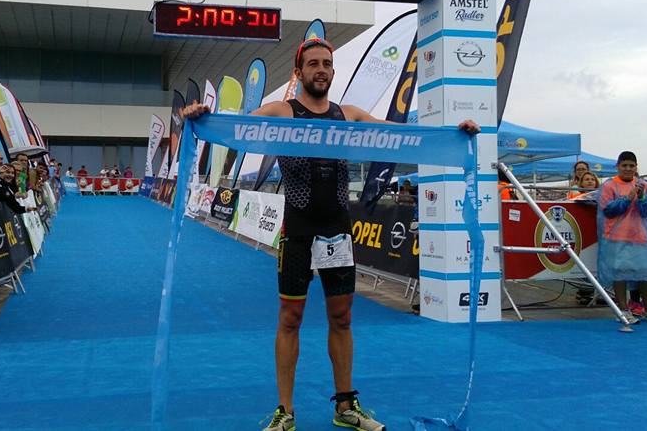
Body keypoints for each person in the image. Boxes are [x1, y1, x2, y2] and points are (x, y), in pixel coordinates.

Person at [183, 37, 481, 431]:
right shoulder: (282, 112)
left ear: (332, 72)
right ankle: (284, 412)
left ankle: (345, 408)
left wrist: (452, 133)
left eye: (326, 63)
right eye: (313, 64)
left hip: (337, 233)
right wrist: (203, 115)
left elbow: (401, 133)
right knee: (290, 317)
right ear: (299, 72)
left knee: (341, 318)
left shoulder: (348, 116)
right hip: (299, 232)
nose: (320, 69)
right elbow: (242, 125)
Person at [596, 151, 647, 325]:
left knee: (646, 273)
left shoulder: (644, 185)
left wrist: (642, 197)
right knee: (619, 273)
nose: (628, 169)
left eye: (631, 165)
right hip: (617, 237)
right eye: (624, 165)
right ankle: (622, 309)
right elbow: (608, 210)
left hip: (642, 236)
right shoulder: (609, 186)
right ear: (618, 167)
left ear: (636, 167)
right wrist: (627, 199)